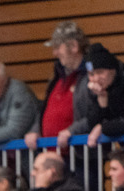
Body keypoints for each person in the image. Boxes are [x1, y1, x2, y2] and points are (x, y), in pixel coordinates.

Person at [62, 44, 124, 151]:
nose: (96, 79)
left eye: (100, 72)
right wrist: (102, 99)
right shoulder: (97, 87)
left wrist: (103, 127)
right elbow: (93, 122)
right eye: (91, 74)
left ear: (112, 70)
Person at [24, 21, 88, 151]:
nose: (55, 53)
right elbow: (45, 109)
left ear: (74, 46)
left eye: (58, 47)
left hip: (81, 157)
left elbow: (97, 115)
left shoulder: (92, 76)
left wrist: (72, 131)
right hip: (54, 155)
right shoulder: (57, 77)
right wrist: (36, 130)